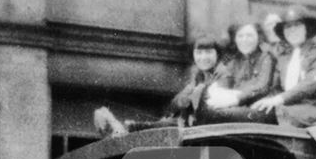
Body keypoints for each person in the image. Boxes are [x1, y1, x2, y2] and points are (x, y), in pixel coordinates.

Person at [94, 35, 227, 134]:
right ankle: (124, 128)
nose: (203, 58)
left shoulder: (223, 75)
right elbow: (176, 103)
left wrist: (192, 97)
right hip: (192, 123)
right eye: (199, 53)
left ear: (218, 54)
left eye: (209, 52)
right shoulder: (198, 77)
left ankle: (125, 128)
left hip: (207, 126)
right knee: (164, 123)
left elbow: (207, 104)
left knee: (167, 125)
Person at [251, 4, 316, 127]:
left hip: (312, 109)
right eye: (288, 27)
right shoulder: (284, 56)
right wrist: (265, 101)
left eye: (297, 25)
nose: (292, 31)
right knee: (254, 112)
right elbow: (276, 86)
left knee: (273, 114)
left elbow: (309, 85)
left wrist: (278, 100)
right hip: (286, 107)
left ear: (307, 28)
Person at [203, 19, 277, 117]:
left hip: (259, 107)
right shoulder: (235, 61)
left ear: (258, 38)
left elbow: (262, 87)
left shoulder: (266, 58)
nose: (244, 40)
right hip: (238, 105)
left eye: (249, 36)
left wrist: (236, 98)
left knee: (220, 113)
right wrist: (216, 87)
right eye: (240, 36)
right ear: (235, 39)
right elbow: (225, 80)